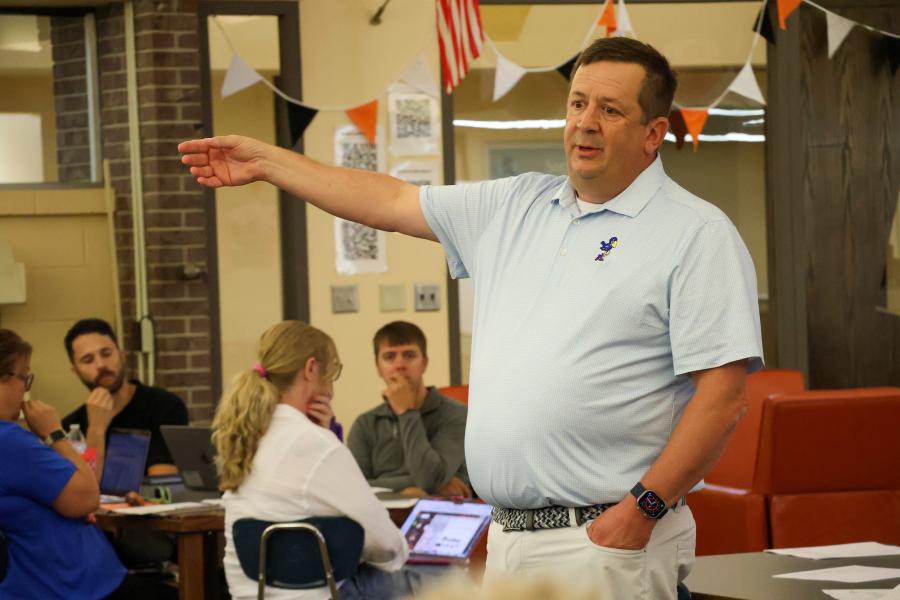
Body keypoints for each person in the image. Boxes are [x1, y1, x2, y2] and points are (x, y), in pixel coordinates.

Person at [179, 37, 763, 599]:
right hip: (508, 536)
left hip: (608, 538)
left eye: (610, 110)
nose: (585, 122)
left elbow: (723, 398)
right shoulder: (516, 205)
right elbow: (387, 201)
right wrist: (267, 163)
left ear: (654, 133)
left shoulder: (696, 233)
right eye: (578, 103)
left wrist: (642, 511)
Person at [214, 320, 425, 600]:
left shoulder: (249, 434)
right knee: (438, 577)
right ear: (311, 368)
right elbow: (388, 548)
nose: (333, 390)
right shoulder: (316, 444)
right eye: (332, 373)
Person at [0, 328, 125, 599]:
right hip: (66, 587)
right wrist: (54, 433)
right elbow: (87, 497)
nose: (25, 389)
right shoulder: (9, 440)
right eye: (24, 377)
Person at [348, 321, 469, 497]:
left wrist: (406, 412)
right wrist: (412, 489)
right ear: (378, 368)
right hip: (381, 512)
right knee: (414, 493)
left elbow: (429, 478)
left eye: (409, 355)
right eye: (389, 357)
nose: (400, 365)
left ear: (424, 363)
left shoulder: (457, 414)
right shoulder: (365, 423)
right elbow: (353, 487)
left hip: (442, 513)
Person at [61, 318, 188, 479]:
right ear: (76, 372)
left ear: (122, 356)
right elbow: (82, 491)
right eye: (88, 360)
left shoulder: (164, 405)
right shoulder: (71, 428)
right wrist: (96, 430)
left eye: (106, 354)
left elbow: (161, 486)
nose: (100, 364)